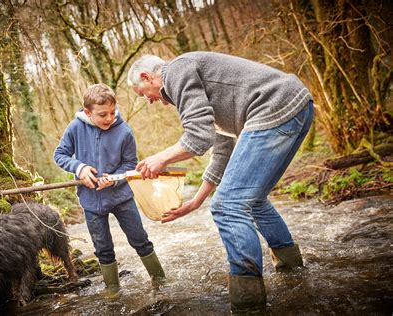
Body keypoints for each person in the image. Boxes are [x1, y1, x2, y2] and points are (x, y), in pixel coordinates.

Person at [127, 52, 314, 312]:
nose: (149, 101)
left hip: (273, 107)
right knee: (254, 200)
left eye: (143, 93)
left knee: (228, 206)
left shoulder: (177, 71)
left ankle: (248, 306)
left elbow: (198, 137)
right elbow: (221, 149)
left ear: (147, 76)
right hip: (297, 105)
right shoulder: (197, 86)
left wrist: (161, 159)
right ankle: (293, 271)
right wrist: (196, 202)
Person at [54, 83, 165, 297]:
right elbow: (60, 155)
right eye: (102, 114)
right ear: (87, 112)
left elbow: (130, 164)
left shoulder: (124, 131)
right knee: (102, 248)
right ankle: (113, 291)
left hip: (122, 198)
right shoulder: (75, 128)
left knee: (139, 239)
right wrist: (80, 167)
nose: (109, 118)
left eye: (113, 112)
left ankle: (160, 280)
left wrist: (113, 180)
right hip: (91, 202)